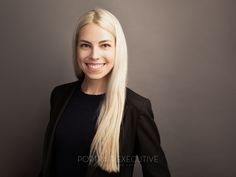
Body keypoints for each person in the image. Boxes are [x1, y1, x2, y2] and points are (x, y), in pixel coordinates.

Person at [38, 8, 171, 177]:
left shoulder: (136, 108)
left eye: (105, 45)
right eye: (85, 45)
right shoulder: (59, 95)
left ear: (117, 49)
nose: (94, 55)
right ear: (76, 49)